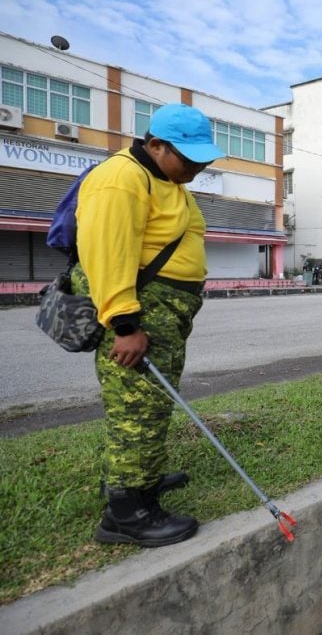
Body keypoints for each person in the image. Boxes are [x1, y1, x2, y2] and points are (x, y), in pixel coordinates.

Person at [71, 103, 225, 547]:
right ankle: (125, 514)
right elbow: (107, 253)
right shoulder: (121, 179)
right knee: (135, 409)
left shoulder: (165, 178)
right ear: (155, 145)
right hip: (138, 313)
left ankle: (143, 480)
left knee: (153, 404)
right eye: (189, 157)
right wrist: (124, 324)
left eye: (203, 158)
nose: (199, 166)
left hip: (165, 313)